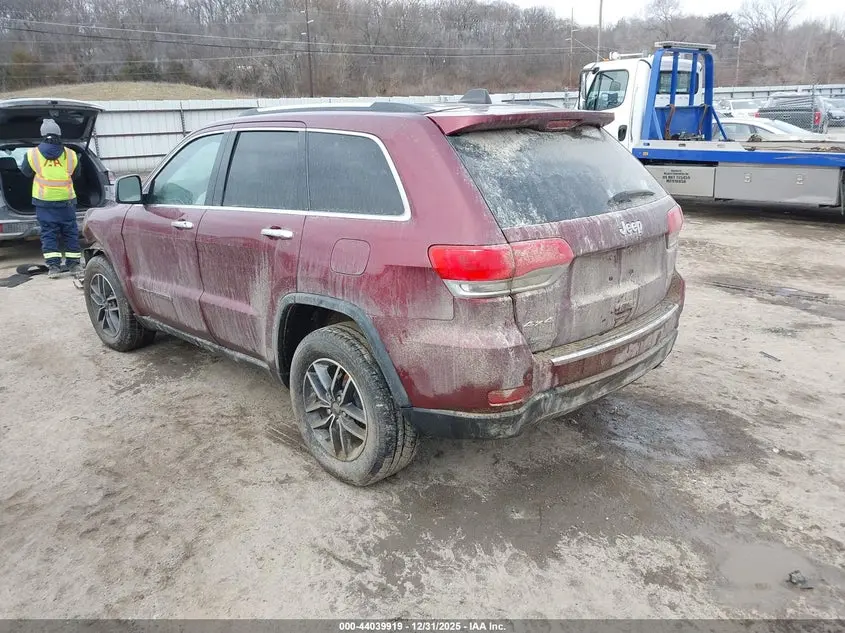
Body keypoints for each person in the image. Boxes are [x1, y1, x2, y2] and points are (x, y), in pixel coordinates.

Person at [19, 119, 82, 278]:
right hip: (66, 201)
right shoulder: (71, 154)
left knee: (48, 233)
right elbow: (77, 174)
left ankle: (53, 267)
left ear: (42, 134)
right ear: (59, 133)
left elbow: (26, 173)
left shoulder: (32, 154)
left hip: (44, 202)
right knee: (70, 232)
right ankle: (74, 265)